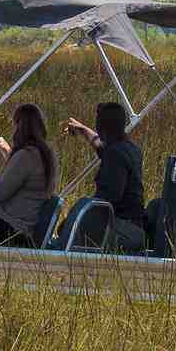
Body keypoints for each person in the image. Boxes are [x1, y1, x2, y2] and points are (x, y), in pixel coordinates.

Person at [63, 102, 146, 253]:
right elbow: (99, 144)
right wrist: (82, 129)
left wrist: (80, 217)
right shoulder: (130, 149)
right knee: (72, 223)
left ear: (102, 126)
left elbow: (111, 196)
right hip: (135, 227)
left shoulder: (115, 154)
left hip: (122, 228)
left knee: (70, 230)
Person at [0, 103, 59, 247]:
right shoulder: (48, 154)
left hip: (10, 228)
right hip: (26, 226)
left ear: (20, 127)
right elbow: (29, 175)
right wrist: (11, 155)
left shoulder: (26, 155)